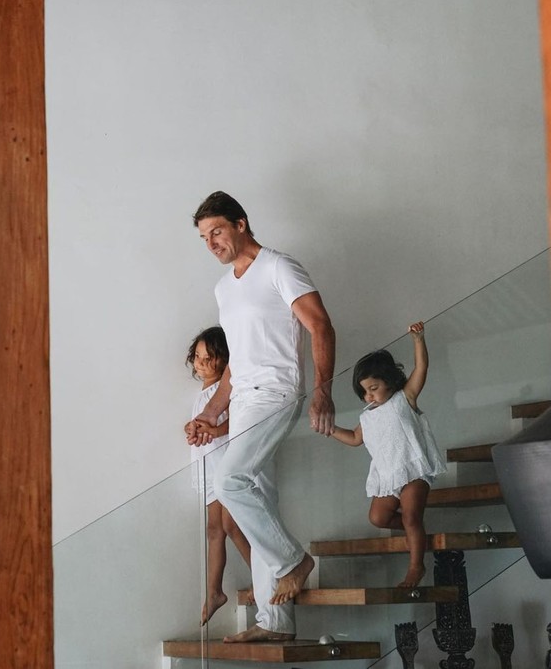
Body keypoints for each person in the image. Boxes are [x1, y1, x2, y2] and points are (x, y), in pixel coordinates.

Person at [186, 191, 335, 643]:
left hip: (277, 392)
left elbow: (320, 325)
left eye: (217, 231)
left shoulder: (278, 267)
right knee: (256, 501)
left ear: (241, 224)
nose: (211, 243)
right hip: (245, 399)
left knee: (229, 482)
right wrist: (212, 412)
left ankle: (295, 561)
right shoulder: (224, 286)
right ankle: (275, 625)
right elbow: (236, 364)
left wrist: (322, 392)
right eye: (203, 237)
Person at [329, 322, 446, 587]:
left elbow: (421, 369)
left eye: (374, 387)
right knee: (378, 518)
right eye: (364, 391)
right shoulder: (367, 416)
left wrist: (418, 340)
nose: (368, 395)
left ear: (390, 381)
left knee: (410, 516)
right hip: (387, 474)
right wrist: (330, 430)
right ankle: (416, 532)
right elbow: (355, 438)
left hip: (413, 469)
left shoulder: (404, 398)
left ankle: (416, 567)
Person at [185, 325, 253, 625]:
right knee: (215, 529)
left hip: (226, 464)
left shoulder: (226, 390)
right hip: (208, 466)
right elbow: (203, 424)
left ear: (224, 359)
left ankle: (267, 577)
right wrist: (192, 429)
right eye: (197, 356)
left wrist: (213, 430)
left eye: (207, 357)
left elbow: (238, 423)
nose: (200, 362)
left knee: (231, 526)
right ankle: (214, 592)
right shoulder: (203, 393)